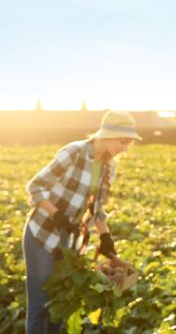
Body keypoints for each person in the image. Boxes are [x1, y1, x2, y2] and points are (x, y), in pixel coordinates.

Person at [22, 110, 142, 333]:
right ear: (108, 135)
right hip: (43, 234)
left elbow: (97, 208)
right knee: (41, 303)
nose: (125, 148)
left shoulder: (109, 167)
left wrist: (105, 237)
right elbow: (35, 187)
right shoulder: (75, 152)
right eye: (123, 141)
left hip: (70, 242)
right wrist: (57, 215)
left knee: (61, 303)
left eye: (129, 144)